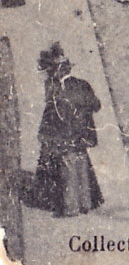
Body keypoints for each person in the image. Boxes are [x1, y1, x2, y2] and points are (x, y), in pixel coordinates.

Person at [32, 44, 102, 217]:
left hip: (66, 135)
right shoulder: (82, 84)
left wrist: (44, 132)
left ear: (57, 72)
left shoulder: (57, 90)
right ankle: (85, 202)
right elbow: (96, 105)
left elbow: (53, 115)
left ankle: (71, 207)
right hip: (83, 133)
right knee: (81, 163)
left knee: (67, 168)